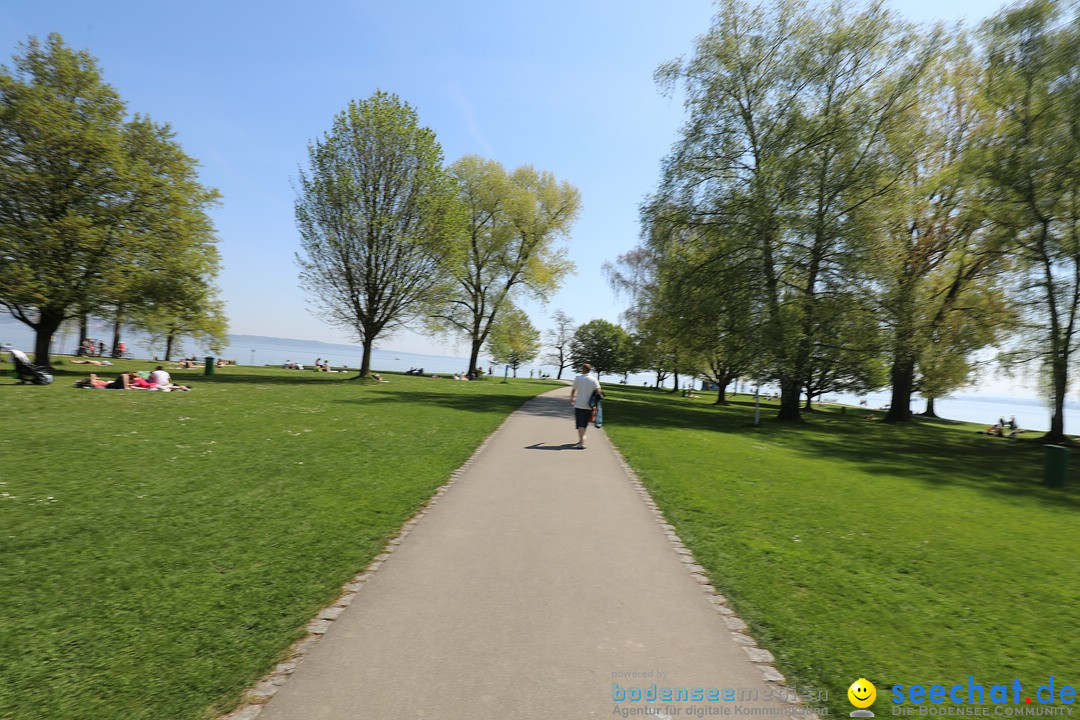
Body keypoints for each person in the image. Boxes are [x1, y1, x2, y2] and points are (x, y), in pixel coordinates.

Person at [569, 362, 603, 449]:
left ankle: (582, 443)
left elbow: (573, 390)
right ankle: (581, 440)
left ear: (583, 369)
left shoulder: (578, 378)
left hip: (579, 404)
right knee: (585, 424)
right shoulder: (594, 379)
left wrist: (572, 398)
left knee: (580, 424)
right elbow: (599, 392)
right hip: (589, 405)